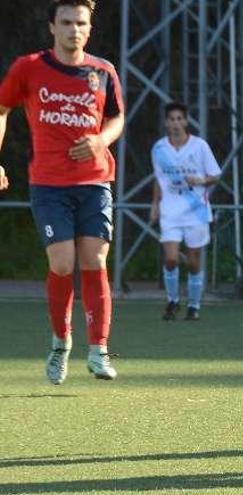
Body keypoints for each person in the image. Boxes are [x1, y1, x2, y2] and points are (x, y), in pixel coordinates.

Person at [0, 0, 125, 384]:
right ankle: (60, 344)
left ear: (90, 28)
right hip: (50, 183)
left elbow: (116, 118)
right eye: (66, 22)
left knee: (94, 258)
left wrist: (100, 140)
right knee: (62, 263)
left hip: (94, 181)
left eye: (81, 23)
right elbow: (2, 108)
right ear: (53, 27)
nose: (74, 29)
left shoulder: (103, 71)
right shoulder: (29, 68)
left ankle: (99, 350)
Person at [149, 101, 221, 321]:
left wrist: (200, 179)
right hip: (170, 210)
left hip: (196, 210)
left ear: (186, 121)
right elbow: (159, 179)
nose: (176, 123)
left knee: (193, 260)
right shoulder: (159, 148)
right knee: (170, 258)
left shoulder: (199, 146)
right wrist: (155, 205)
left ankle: (194, 305)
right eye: (172, 119)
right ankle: (172, 301)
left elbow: (215, 175)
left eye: (180, 119)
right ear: (166, 123)